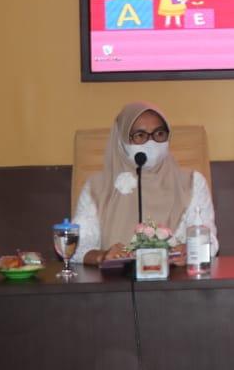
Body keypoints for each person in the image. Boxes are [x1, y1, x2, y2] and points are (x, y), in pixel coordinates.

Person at [75, 102, 219, 265]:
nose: (151, 143)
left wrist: (190, 250)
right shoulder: (97, 187)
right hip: (115, 279)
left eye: (159, 133)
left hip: (176, 278)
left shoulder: (192, 183)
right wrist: (103, 256)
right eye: (140, 135)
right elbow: (78, 246)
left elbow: (209, 242)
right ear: (122, 140)